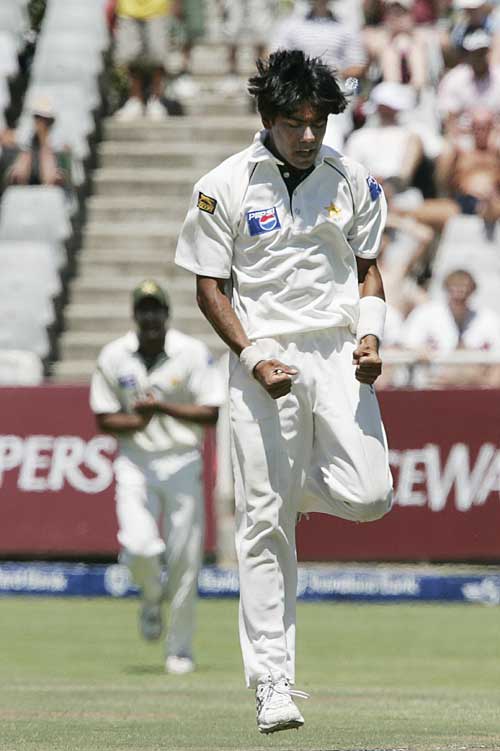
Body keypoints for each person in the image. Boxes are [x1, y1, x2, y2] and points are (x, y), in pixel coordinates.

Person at [175, 50, 393, 733]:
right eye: (294, 121)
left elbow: (368, 270)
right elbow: (209, 286)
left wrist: (371, 337)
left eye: (317, 121)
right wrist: (249, 352)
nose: (307, 134)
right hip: (264, 351)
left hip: (334, 350)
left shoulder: (350, 176)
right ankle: (273, 682)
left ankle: (285, 488)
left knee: (371, 495)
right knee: (263, 526)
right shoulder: (224, 184)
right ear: (268, 117)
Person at [89, 280, 226, 674]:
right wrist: (138, 420)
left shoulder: (191, 353)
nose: (150, 317)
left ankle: (179, 649)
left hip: (183, 460)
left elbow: (212, 412)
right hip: (135, 460)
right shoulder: (114, 355)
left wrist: (162, 408)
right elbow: (103, 418)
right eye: (143, 310)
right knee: (139, 545)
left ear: (167, 314)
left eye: (156, 310)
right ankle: (151, 598)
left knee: (185, 560)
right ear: (135, 315)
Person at [400, 268, 500, 385]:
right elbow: (408, 343)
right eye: (455, 287)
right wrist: (420, 352)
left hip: (476, 385)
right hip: (433, 384)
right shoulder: (425, 313)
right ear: (446, 288)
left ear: (472, 290)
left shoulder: (488, 318)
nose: (459, 292)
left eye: (464, 288)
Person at [112, 0, 171, 121]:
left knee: (158, 56)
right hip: (127, 8)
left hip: (158, 8)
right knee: (130, 56)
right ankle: (135, 100)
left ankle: (156, 100)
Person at [3, 95, 69, 190]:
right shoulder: (27, 138)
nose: (40, 122)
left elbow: (57, 170)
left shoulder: (58, 141)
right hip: (29, 178)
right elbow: (8, 138)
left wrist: (44, 140)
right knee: (24, 157)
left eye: (44, 119)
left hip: (51, 184)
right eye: (37, 118)